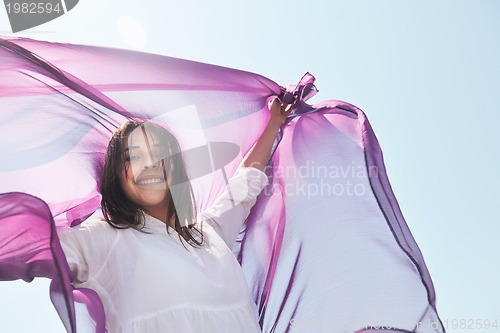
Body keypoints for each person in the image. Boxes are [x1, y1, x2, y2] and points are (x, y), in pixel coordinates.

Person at [56, 97, 293, 333]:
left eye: (159, 154)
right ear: (115, 175)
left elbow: (244, 187)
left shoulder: (209, 233)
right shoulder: (103, 238)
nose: (149, 164)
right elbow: (37, 246)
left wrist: (274, 123)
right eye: (133, 157)